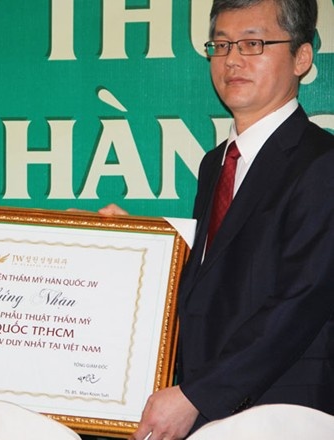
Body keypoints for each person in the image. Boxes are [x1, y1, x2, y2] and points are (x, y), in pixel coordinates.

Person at [130, 0, 334, 439]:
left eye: (253, 43)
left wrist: (197, 396)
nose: (232, 60)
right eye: (220, 45)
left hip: (284, 415)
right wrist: (128, 243)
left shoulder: (323, 163)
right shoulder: (216, 164)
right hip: (211, 414)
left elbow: (299, 303)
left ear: (301, 57)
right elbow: (218, 282)